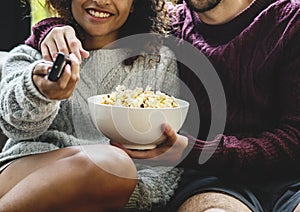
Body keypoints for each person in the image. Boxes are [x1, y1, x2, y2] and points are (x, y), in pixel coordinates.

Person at [28, 0, 300, 211]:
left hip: (291, 181)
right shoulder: (171, 25)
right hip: (213, 184)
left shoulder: (290, 19)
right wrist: (52, 30)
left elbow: (295, 138)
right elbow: (99, 22)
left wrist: (196, 151)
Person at [0, 0, 188, 211]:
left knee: (115, 166)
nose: (101, 1)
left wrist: (126, 191)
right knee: (114, 164)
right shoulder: (36, 54)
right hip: (24, 169)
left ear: (135, 4)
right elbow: (14, 125)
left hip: (112, 186)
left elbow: (165, 160)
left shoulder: (158, 62)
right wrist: (41, 93)